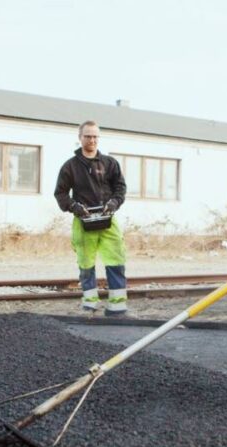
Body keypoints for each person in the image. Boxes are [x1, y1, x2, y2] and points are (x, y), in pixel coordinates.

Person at [54, 120, 128, 316]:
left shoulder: (110, 163)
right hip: (83, 221)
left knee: (116, 260)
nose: (92, 140)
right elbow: (60, 193)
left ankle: (117, 305)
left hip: (107, 220)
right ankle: (90, 303)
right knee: (86, 263)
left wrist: (113, 203)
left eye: (95, 136)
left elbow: (120, 188)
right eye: (88, 136)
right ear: (80, 138)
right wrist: (74, 206)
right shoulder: (70, 167)